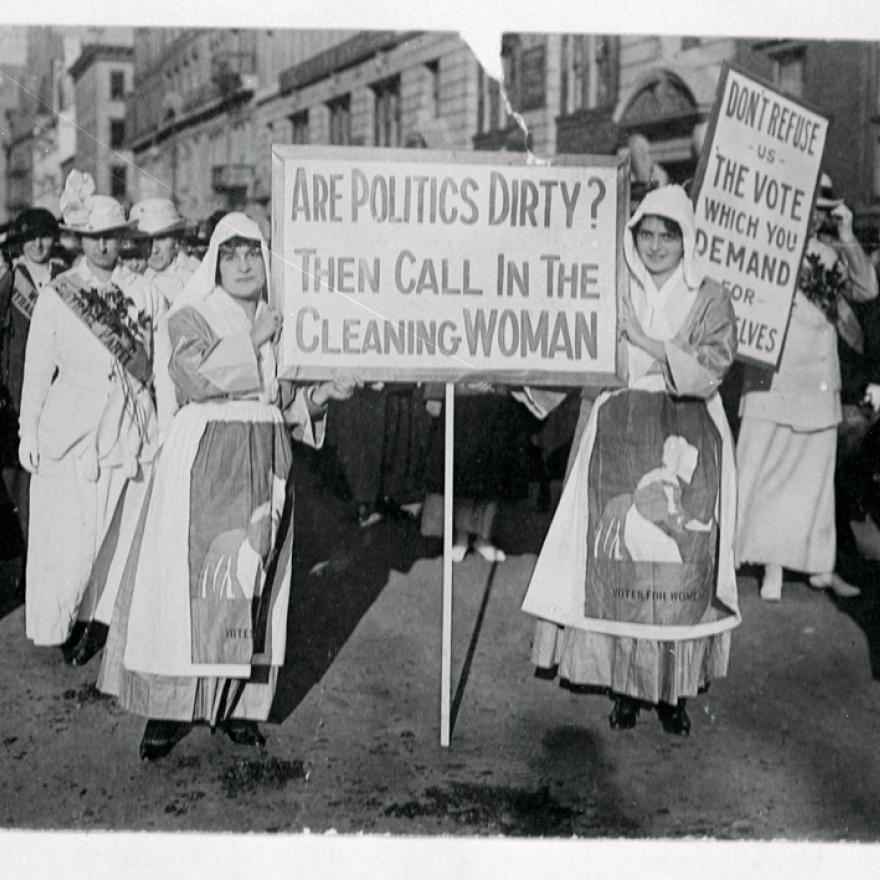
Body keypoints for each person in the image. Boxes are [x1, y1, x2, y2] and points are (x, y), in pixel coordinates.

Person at [97, 213, 356, 760]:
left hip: (264, 458)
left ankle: (238, 704)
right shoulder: (191, 314)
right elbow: (192, 378)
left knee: (253, 583)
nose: (243, 265)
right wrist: (248, 337)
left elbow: (284, 408)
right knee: (190, 588)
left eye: (253, 253)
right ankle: (170, 711)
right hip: (205, 457)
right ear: (215, 260)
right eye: (231, 253)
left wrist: (325, 392)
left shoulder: (284, 322)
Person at [520, 185, 739, 736]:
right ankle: (624, 687)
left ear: (687, 239)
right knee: (616, 563)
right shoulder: (612, 284)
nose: (658, 245)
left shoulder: (710, 295)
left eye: (669, 234)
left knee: (677, 570)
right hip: (615, 435)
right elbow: (574, 343)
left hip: (684, 434)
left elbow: (713, 364)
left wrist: (650, 341)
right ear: (633, 233)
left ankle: (672, 694)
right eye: (648, 233)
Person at [18, 170, 164, 664]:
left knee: (117, 534)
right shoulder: (61, 291)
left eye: (112, 236)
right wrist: (28, 429)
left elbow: (157, 363)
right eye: (94, 237)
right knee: (70, 535)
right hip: (72, 429)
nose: (104, 246)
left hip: (129, 425)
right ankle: (61, 620)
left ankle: (99, 622)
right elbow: (38, 366)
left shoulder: (144, 292)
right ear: (81, 238)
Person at [736, 173, 878, 601]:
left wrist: (847, 232)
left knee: (813, 478)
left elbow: (868, 288)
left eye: (823, 207)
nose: (816, 215)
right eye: (810, 206)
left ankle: (819, 564)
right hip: (772, 376)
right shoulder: (765, 246)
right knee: (767, 472)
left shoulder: (831, 253)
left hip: (818, 377)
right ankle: (771, 564)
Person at [0, 208, 67, 549]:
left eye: (44, 236)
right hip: (18, 390)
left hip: (63, 391)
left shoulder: (68, 276)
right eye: (30, 238)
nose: (38, 245)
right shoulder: (10, 280)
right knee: (18, 483)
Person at [129, 198, 199, 305]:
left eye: (161, 238)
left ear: (176, 240)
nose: (153, 250)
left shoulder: (194, 278)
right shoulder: (133, 279)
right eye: (144, 241)